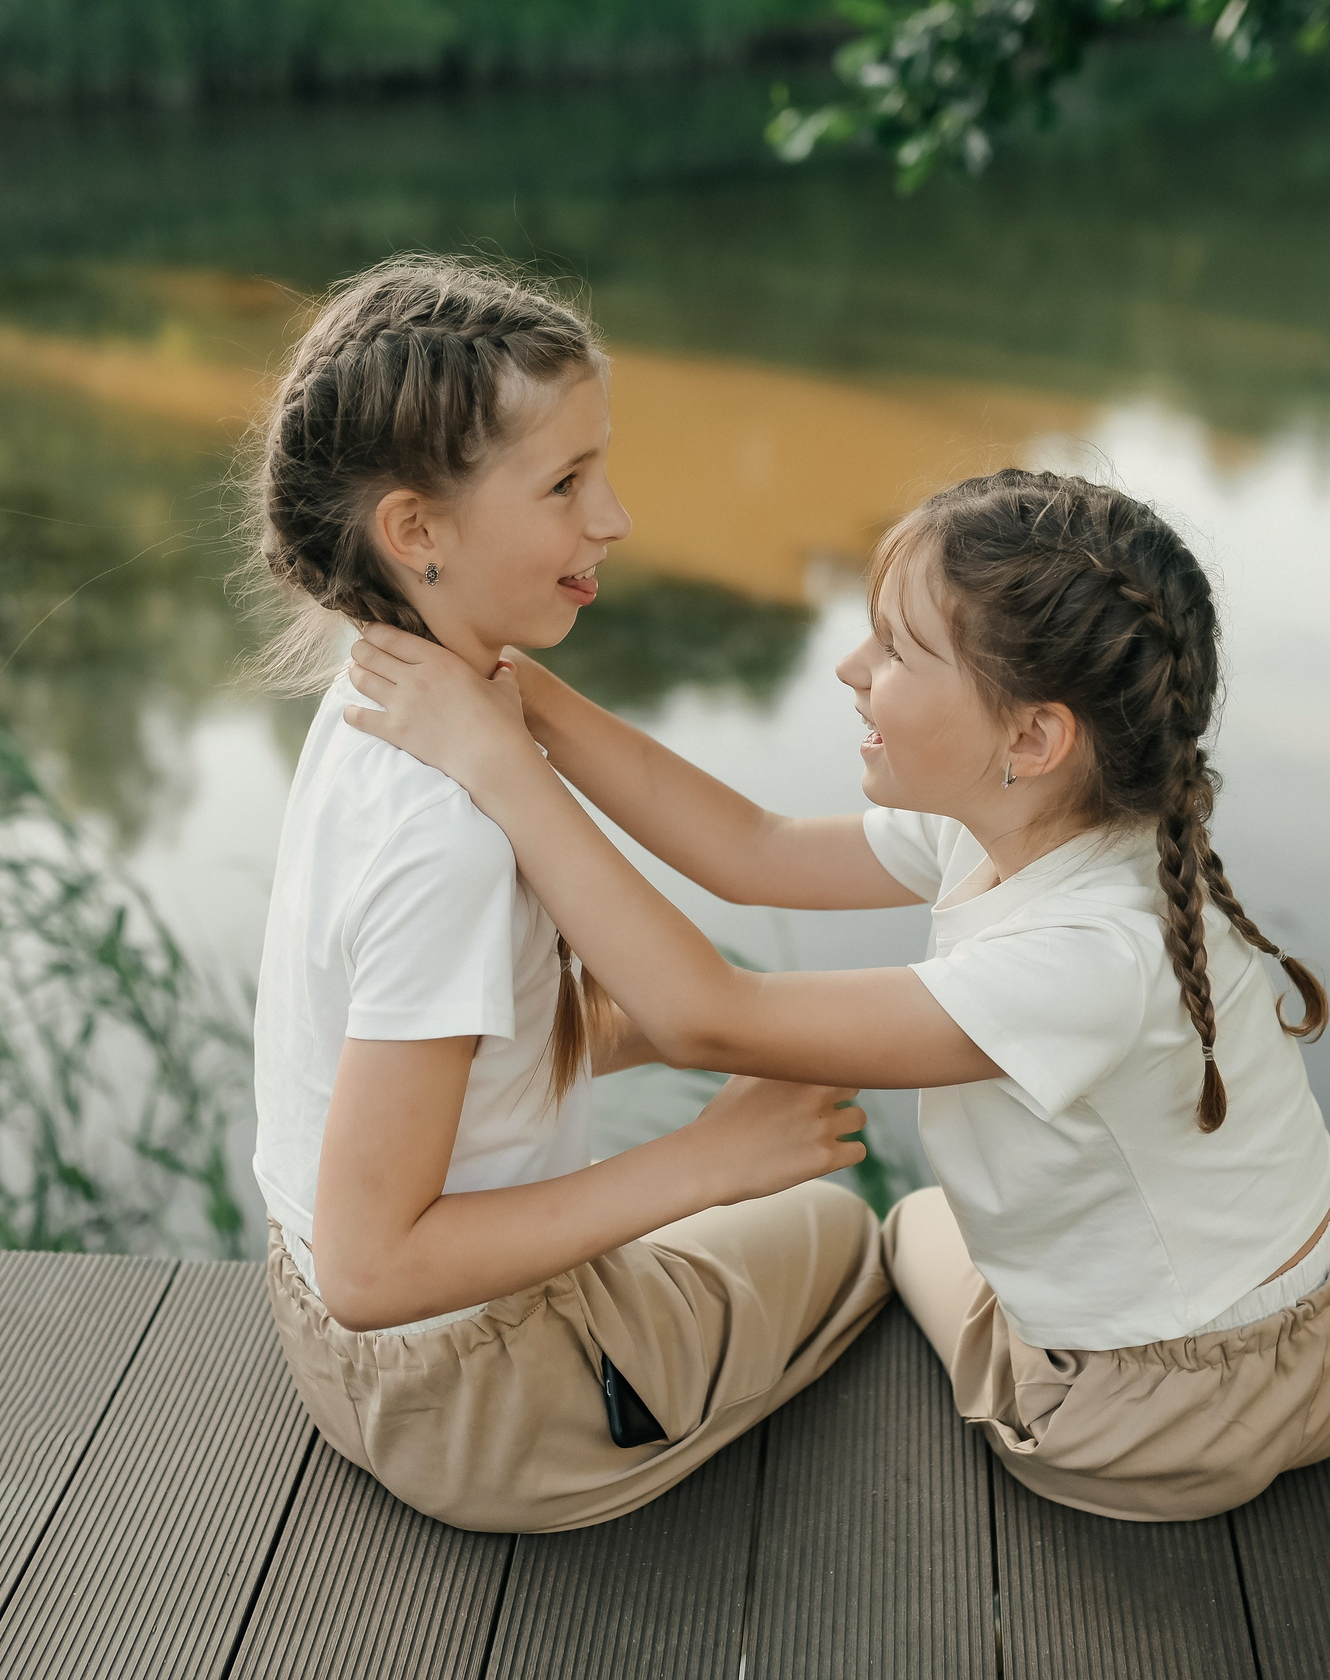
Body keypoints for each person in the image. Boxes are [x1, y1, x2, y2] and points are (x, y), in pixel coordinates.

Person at [344, 467, 1330, 1521]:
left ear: (1032, 736)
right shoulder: (1029, 817)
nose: (853, 667)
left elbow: (710, 1013)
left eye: (898, 649)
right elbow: (749, 848)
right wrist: (521, 693)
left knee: (904, 1230)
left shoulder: (1093, 958)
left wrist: (499, 765)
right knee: (919, 1221)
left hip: (1171, 1411)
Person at [243, 256, 889, 1534]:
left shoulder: (379, 698)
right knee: (842, 1233)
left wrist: (711, 1030)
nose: (616, 520)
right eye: (565, 484)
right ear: (416, 531)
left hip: (329, 1347)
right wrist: (704, 1159)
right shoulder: (449, 832)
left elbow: (451, 1053)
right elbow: (377, 1265)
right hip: (486, 1403)